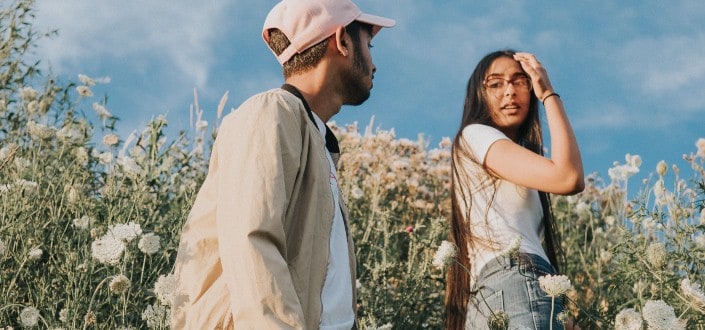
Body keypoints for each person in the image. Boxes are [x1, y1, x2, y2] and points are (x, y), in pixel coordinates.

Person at [170, 0, 394, 328]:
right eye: (369, 44)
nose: (374, 64)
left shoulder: (314, 139)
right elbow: (252, 241)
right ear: (342, 40)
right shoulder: (270, 112)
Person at [445, 50, 584, 330]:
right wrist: (549, 94)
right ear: (479, 95)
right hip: (514, 283)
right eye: (495, 84)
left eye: (520, 81)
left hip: (490, 299)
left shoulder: (512, 160)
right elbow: (569, 177)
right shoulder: (476, 135)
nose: (509, 91)